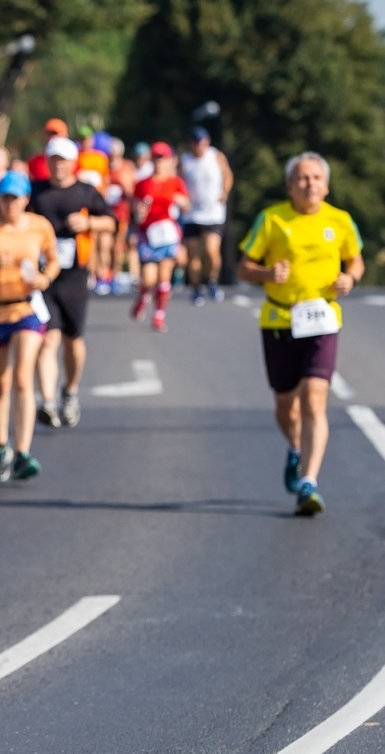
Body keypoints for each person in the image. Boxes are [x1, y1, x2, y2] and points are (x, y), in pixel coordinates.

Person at [237, 152, 364, 516]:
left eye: (316, 178)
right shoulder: (272, 219)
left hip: (322, 320)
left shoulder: (339, 221)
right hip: (280, 321)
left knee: (314, 397)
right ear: (290, 185)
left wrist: (349, 278)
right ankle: (295, 449)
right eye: (302, 178)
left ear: (326, 185)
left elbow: (355, 258)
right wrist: (264, 274)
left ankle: (309, 482)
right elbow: (243, 267)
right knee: (284, 404)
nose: (310, 184)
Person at [0, 171, 58, 481]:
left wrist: (45, 278)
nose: (11, 204)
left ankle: (23, 452)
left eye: (16, 198)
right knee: (0, 383)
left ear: (26, 199)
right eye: (5, 198)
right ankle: (0, 446)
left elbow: (54, 260)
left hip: (25, 309)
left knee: (22, 378)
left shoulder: (39, 226)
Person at [29, 136, 114, 427]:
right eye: (53, 159)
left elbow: (111, 221)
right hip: (43, 276)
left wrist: (90, 223)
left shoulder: (86, 192)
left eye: (63, 160)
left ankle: (71, 391)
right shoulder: (36, 192)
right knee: (48, 338)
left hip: (75, 275)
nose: (58, 165)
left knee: (73, 338)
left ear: (73, 162)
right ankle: (48, 401)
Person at [130, 142, 191, 332]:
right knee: (149, 278)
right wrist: (139, 212)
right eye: (156, 157)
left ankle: (159, 315)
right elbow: (135, 210)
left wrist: (181, 202)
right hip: (148, 234)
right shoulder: (143, 184)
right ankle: (143, 295)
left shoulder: (175, 182)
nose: (159, 162)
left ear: (169, 160)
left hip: (168, 233)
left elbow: (186, 206)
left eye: (162, 158)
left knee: (164, 276)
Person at [181, 126, 234, 304]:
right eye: (196, 143)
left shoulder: (216, 156)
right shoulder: (185, 160)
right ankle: (196, 287)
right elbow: (179, 181)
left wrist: (224, 191)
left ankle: (212, 280)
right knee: (193, 254)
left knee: (211, 250)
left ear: (207, 142)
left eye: (202, 143)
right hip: (192, 213)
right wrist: (183, 196)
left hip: (213, 212)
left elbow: (227, 175)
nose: (199, 146)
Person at [102, 137, 139, 294]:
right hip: (105, 212)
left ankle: (115, 275)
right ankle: (104, 275)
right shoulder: (104, 167)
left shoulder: (127, 167)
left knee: (118, 246)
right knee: (104, 244)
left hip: (122, 213)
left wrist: (126, 187)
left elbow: (133, 190)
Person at [26, 118, 68, 197]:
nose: (53, 137)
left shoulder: (73, 160)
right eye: (50, 134)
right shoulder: (35, 161)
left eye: (56, 134)